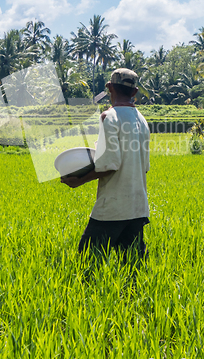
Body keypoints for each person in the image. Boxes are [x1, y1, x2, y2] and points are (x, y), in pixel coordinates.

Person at [61, 68, 150, 258]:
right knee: (133, 267)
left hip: (112, 207)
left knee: (87, 262)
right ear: (134, 92)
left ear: (109, 88)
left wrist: (79, 179)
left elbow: (110, 164)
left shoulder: (108, 117)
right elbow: (145, 167)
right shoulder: (142, 121)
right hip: (138, 205)